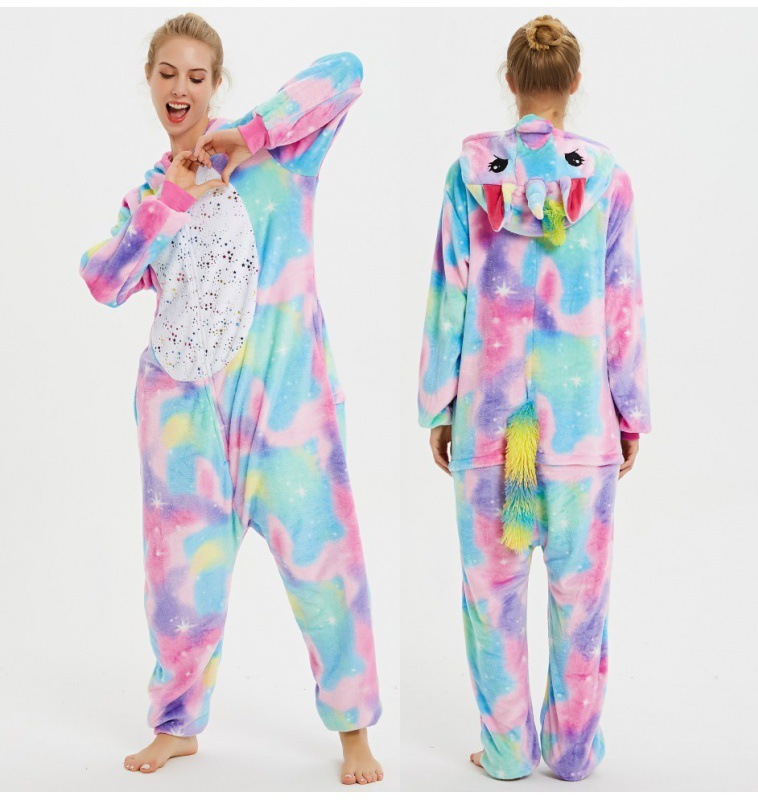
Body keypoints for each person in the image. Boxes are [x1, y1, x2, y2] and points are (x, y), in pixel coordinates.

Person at [79, 13, 383, 785]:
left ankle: (353, 732)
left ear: (216, 84)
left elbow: (346, 69)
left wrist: (248, 134)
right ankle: (176, 727)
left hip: (289, 416)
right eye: (167, 74)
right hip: (185, 425)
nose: (180, 88)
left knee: (327, 573)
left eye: (196, 75)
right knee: (180, 591)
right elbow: (103, 280)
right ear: (150, 82)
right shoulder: (151, 193)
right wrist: (168, 203)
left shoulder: (280, 159)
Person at [417, 14, 652, 782]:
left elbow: (448, 296)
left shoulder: (468, 177)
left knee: (492, 596)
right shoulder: (607, 179)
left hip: (492, 426)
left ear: (510, 81)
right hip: (580, 428)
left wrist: (440, 405)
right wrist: (629, 412)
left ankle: (508, 750)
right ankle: (573, 751)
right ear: (573, 83)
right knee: (581, 601)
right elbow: (622, 305)